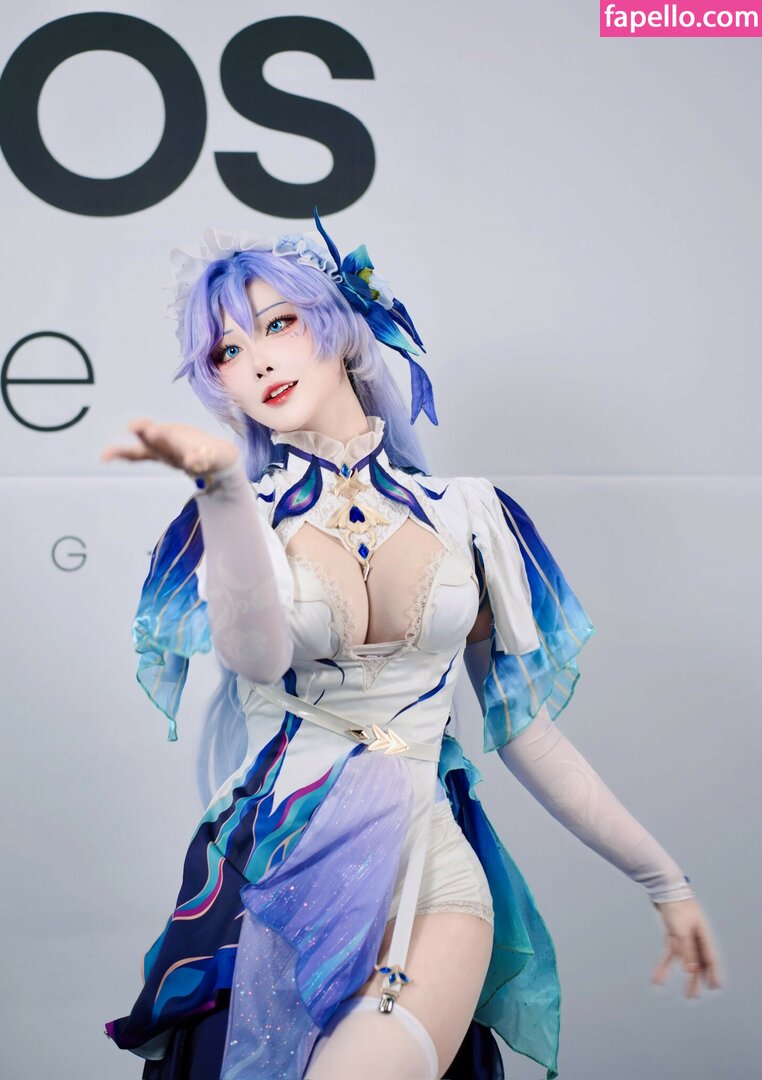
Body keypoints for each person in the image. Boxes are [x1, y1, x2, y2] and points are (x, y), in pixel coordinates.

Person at [101, 213, 721, 1079]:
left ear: (343, 328)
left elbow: (526, 732)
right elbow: (254, 654)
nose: (260, 361)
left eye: (280, 324)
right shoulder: (239, 514)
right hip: (274, 879)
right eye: (228, 351)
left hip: (430, 872)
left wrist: (664, 880)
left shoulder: (470, 515)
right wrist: (223, 489)